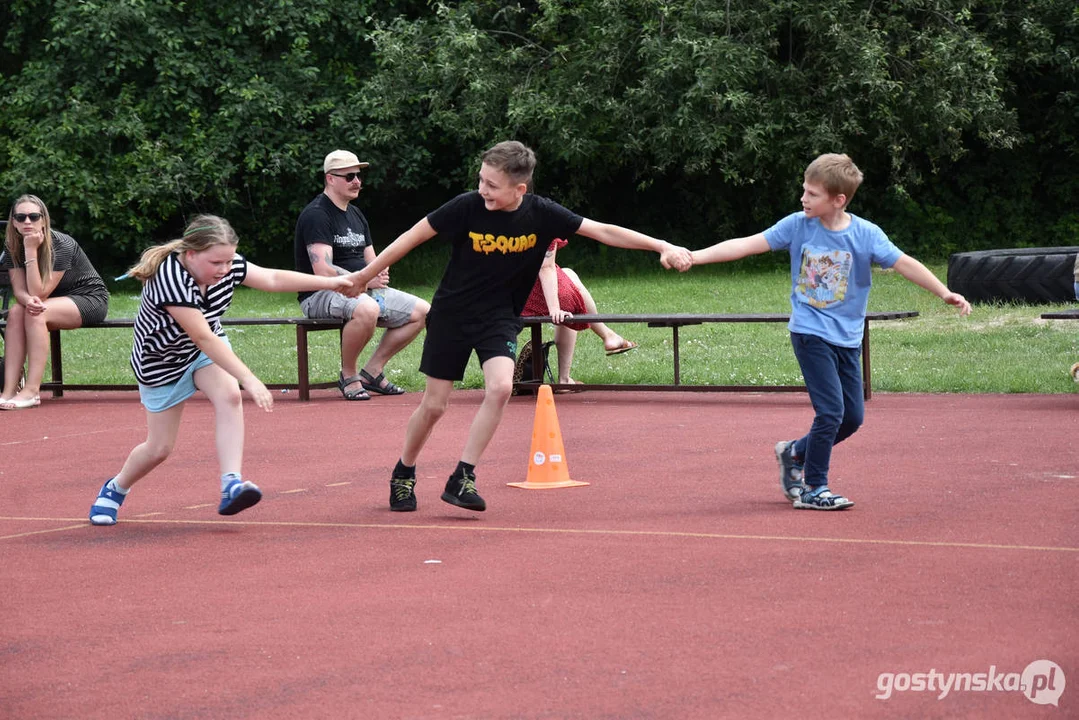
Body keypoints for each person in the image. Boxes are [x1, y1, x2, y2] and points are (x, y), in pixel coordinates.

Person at [353, 140, 692, 513]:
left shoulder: (542, 214)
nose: (483, 190)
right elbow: (411, 237)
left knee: (499, 387)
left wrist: (661, 245)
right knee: (434, 406)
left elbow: (604, 231)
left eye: (492, 185)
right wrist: (365, 275)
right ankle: (404, 472)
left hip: (499, 316)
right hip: (452, 313)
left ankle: (462, 477)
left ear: (520, 189)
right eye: (481, 180)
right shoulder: (467, 206)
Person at [690, 153, 972, 510]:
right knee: (830, 412)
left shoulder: (866, 234)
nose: (803, 199)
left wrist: (944, 292)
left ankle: (794, 453)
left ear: (838, 200)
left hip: (848, 337)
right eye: (804, 191)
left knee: (852, 418)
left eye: (812, 194)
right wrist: (695, 256)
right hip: (810, 332)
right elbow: (746, 244)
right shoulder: (797, 225)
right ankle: (814, 487)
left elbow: (904, 263)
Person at [87, 215, 360, 526]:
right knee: (159, 448)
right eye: (216, 262)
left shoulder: (226, 265)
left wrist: (331, 283)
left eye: (229, 261)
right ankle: (115, 488)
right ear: (191, 255)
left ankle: (231, 483)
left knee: (229, 396)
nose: (225, 269)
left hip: (204, 351)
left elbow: (270, 279)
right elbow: (200, 336)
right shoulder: (171, 278)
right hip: (162, 363)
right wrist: (249, 378)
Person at [294, 150, 429, 401]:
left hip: (363, 289)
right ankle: (349, 374)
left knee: (422, 311)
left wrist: (379, 271)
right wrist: (365, 279)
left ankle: (373, 371)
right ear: (330, 179)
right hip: (321, 293)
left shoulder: (356, 215)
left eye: (358, 175)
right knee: (366, 308)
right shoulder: (316, 215)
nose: (357, 181)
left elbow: (373, 261)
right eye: (350, 176)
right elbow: (322, 271)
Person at [1, 195, 109, 410]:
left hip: (88, 298)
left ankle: (32, 391)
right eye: (20, 217)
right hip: (48, 302)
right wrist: (26, 300)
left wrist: (31, 250)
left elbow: (39, 292)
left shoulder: (61, 244)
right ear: (13, 222)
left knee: (36, 312)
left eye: (33, 216)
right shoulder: (13, 244)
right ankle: (8, 390)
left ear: (44, 219)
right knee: (15, 311)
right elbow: (21, 291)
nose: (27, 222)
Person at [521, 238, 638, 387]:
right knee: (569, 300)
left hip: (502, 297)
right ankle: (565, 379)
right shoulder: (541, 220)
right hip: (529, 297)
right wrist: (554, 308)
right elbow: (545, 268)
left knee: (567, 278)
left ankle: (608, 335)